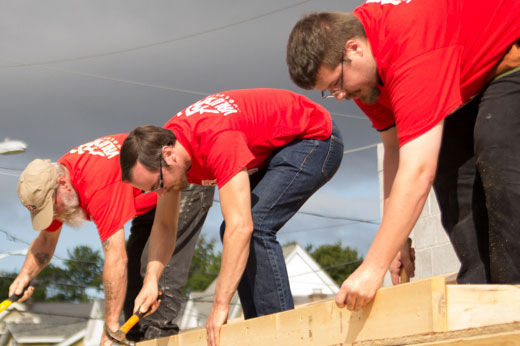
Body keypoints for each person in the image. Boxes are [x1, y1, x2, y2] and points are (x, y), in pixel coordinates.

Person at [286, 0, 520, 312]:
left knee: (496, 145)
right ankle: (483, 304)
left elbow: (418, 169)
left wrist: (373, 267)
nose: (339, 96)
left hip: (507, 52)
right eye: (329, 91)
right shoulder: (362, 76)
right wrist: (395, 239)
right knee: (452, 176)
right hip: (460, 76)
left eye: (336, 85)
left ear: (353, 49)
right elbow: (395, 148)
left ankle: (514, 297)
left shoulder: (409, 49)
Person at [119, 88, 343, 346]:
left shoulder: (215, 138)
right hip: (273, 148)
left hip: (315, 139)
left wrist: (219, 305)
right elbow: (167, 225)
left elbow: (242, 226)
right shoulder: (168, 151)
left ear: (168, 155)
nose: (160, 192)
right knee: (233, 231)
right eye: (151, 189)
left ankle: (282, 337)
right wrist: (151, 280)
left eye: (158, 184)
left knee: (253, 226)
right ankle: (259, 330)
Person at [11, 134, 214, 344]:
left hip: (180, 178)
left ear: (63, 183)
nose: (54, 215)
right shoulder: (57, 179)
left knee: (158, 286)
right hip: (149, 195)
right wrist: (24, 276)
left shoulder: (96, 185)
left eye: (52, 208)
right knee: (133, 299)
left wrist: (110, 328)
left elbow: (116, 258)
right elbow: (46, 239)